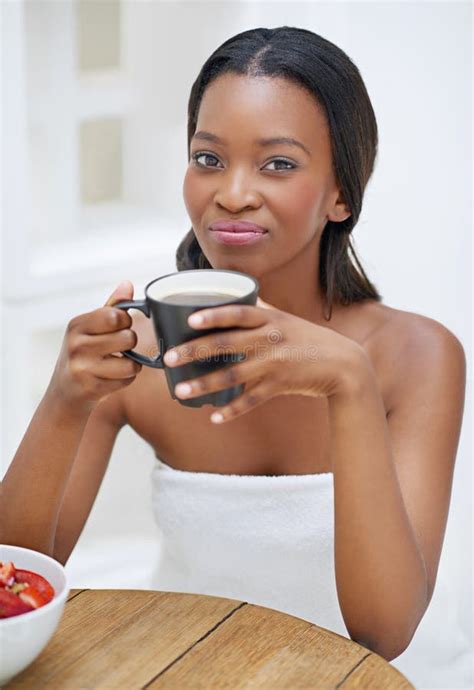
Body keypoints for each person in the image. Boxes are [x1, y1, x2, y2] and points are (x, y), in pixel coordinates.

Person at [2, 27, 466, 670]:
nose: (233, 192)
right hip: (175, 665)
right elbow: (12, 586)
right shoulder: (137, 352)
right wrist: (63, 398)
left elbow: (384, 634)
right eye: (208, 158)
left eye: (278, 163)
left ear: (342, 193)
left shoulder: (418, 357)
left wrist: (348, 383)